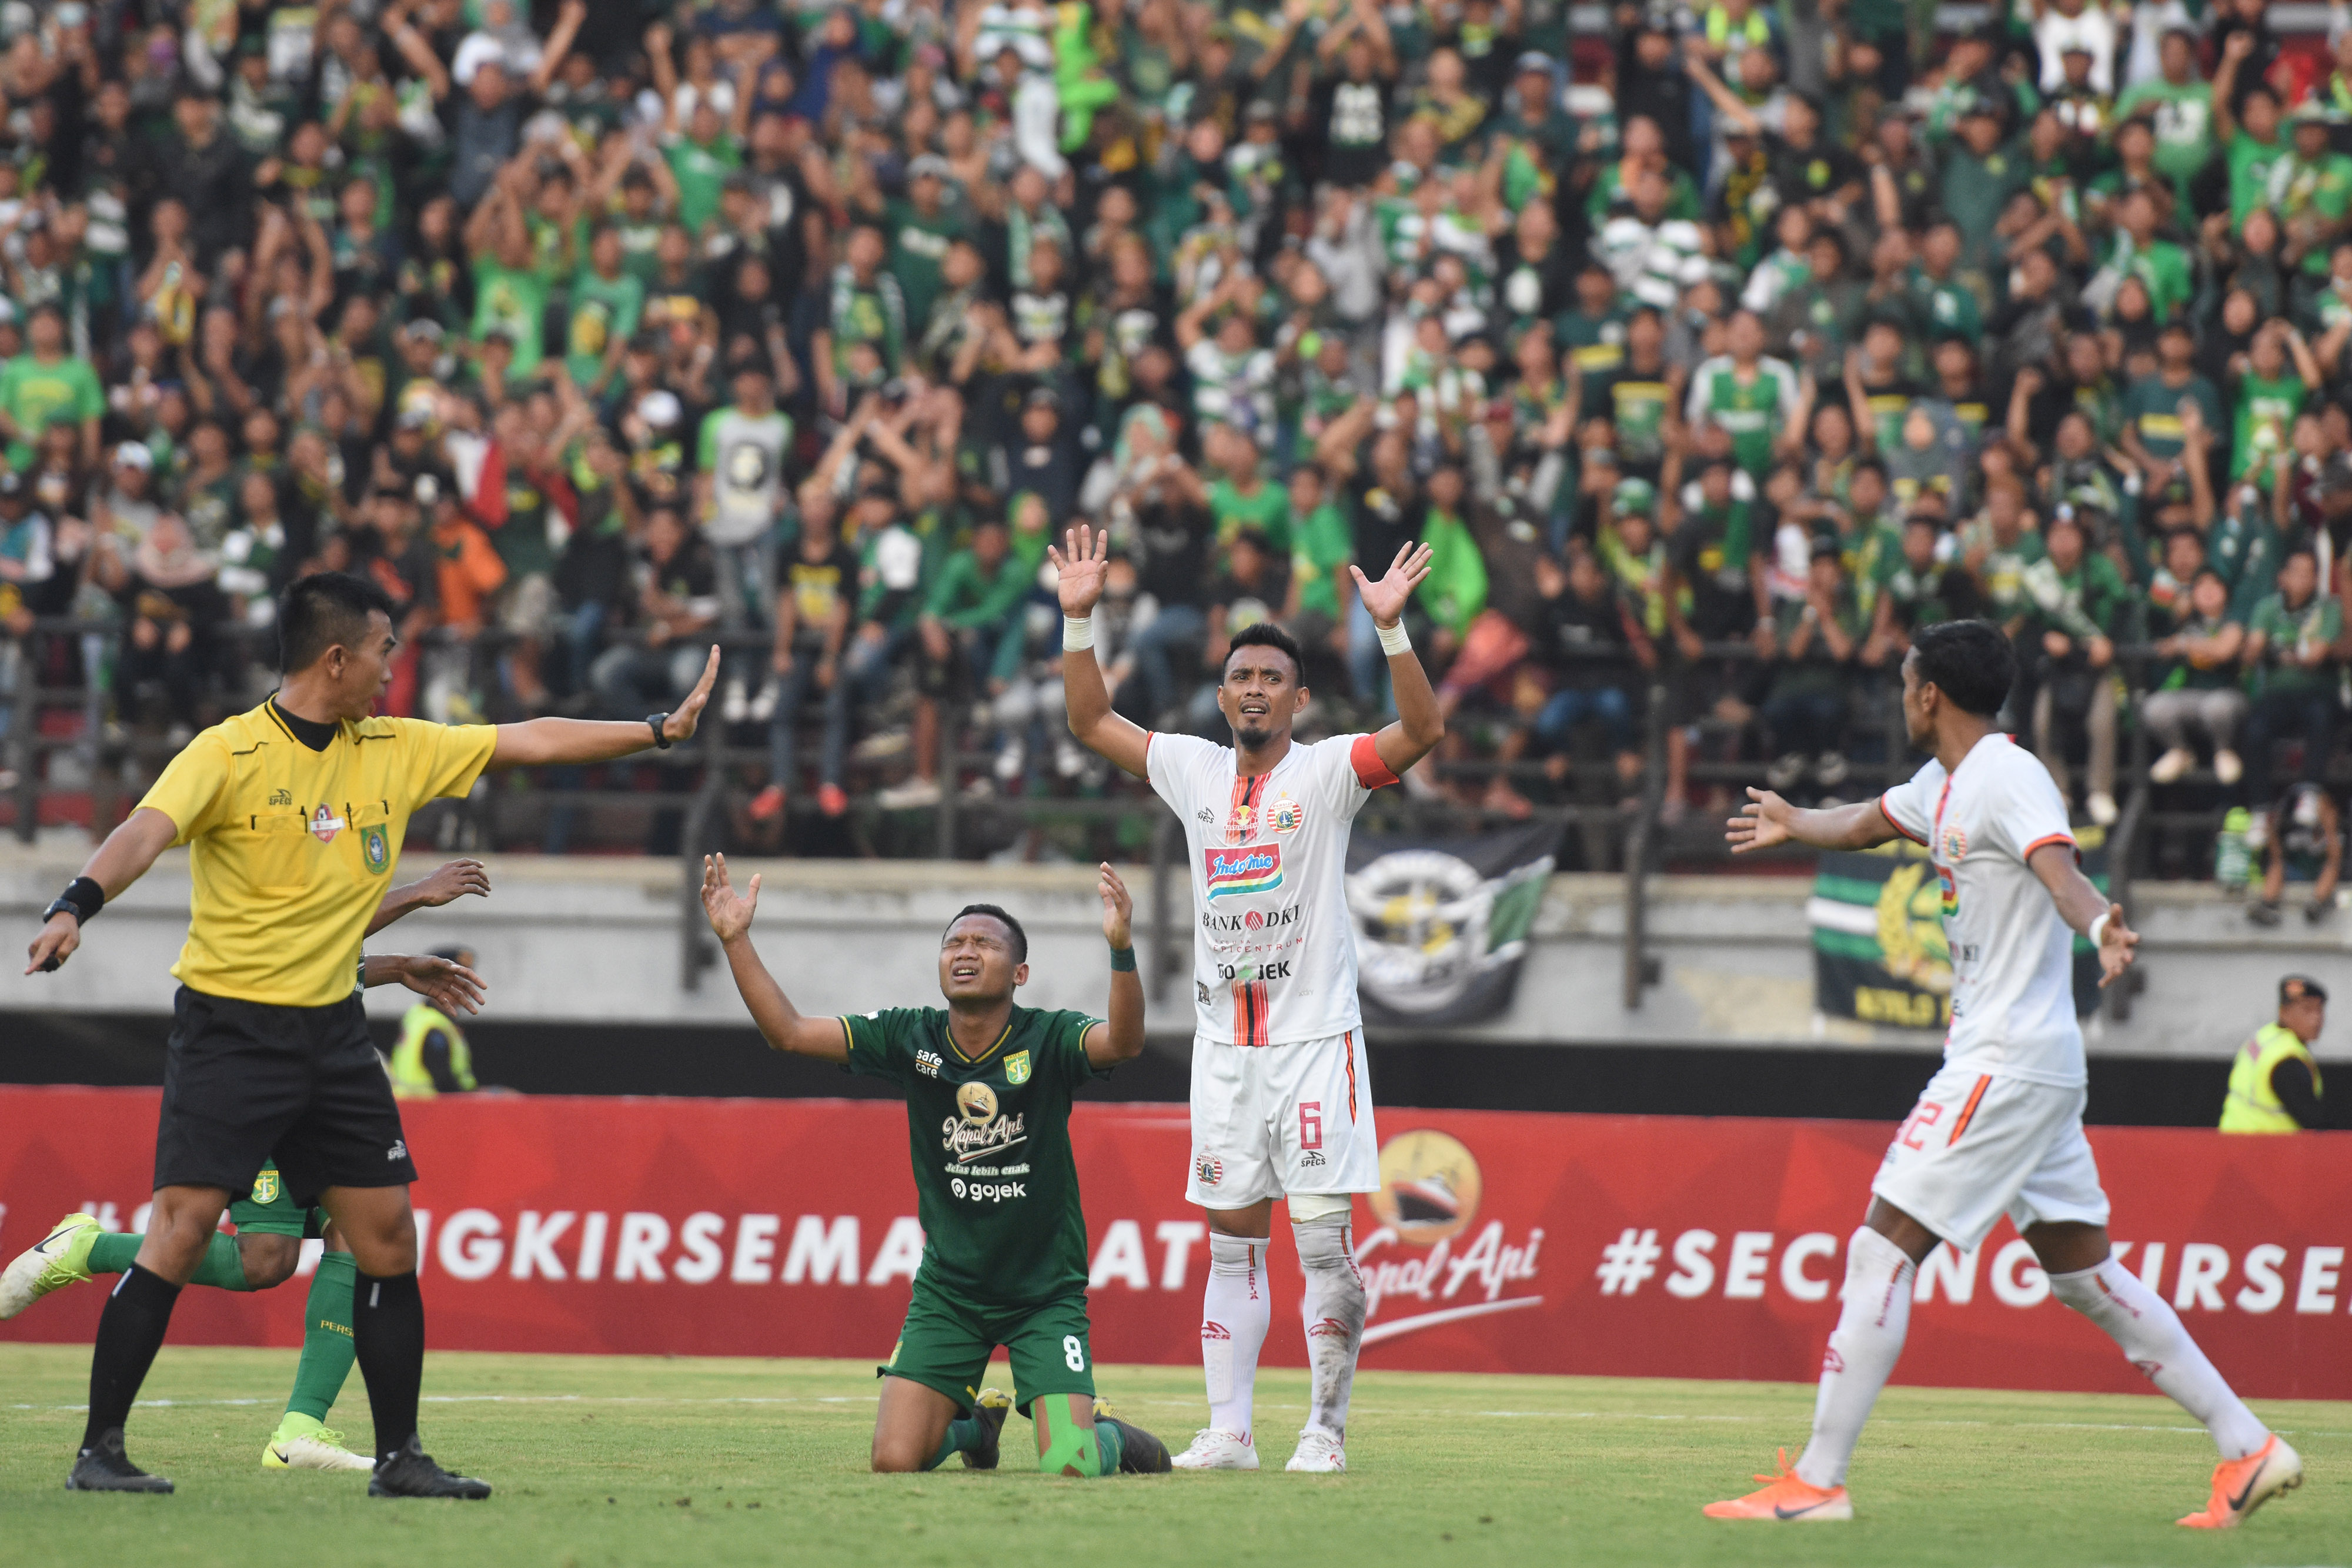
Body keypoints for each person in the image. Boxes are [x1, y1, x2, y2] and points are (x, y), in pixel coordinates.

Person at [21, 571, 720, 1496]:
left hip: (334, 1036)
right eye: (387, 649)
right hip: (231, 1030)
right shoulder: (227, 752)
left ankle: (399, 1458)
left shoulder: (398, 747)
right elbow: (144, 831)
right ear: (337, 657)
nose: (397, 668)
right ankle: (99, 1450)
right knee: (183, 1231)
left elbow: (532, 739)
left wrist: (659, 730)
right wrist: (77, 903)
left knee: (387, 1236)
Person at [1711, 618, 2301, 1528]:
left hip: (2003, 1061)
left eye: (1907, 682)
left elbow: (2061, 869)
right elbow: (1869, 822)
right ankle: (2249, 1445)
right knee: (2083, 1274)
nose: (1902, 695)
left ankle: (1819, 1481)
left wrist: (2103, 923)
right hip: (2038, 1067)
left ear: (1929, 694)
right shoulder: (1944, 783)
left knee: (1880, 1246)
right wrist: (1794, 820)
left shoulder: (2008, 774)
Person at [1051, 521, 1445, 1473]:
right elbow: (1090, 723)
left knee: (1319, 1248)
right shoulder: (1190, 765)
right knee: (1232, 1247)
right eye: (1242, 677)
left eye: (1273, 677)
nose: (1255, 689)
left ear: (1298, 698)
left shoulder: (1328, 771)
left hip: (1314, 1040)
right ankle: (1229, 1429)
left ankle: (1325, 1430)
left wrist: (1392, 632)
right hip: (1225, 1048)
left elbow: (1424, 732)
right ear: (1223, 694)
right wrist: (1078, 620)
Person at [0, 861, 492, 1473]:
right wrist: (417, 895)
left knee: (351, 1235)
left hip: (322, 1091)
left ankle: (299, 1432)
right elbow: (310, 941)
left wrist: (395, 968)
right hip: (265, 1083)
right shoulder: (276, 870)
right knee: (262, 1260)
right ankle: (89, 1248)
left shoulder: (319, 862)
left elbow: (333, 960)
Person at [696, 854, 1172, 1477]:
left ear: (1020, 971)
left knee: (1070, 1463)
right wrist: (736, 939)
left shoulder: (1049, 1039)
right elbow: (786, 1032)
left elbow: (1125, 1042)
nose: (965, 951)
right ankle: (976, 1429)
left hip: (1043, 1295)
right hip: (951, 1291)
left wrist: (1120, 950)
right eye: (954, 942)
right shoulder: (907, 1036)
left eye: (984, 943)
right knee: (894, 1460)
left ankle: (1115, 1440)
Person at [2221, 975, 2330, 1132]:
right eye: (2307, 1010)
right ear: (2283, 1012)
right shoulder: (2287, 1060)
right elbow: (2315, 1122)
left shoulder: (2265, 1036)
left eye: (2319, 1010)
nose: (2316, 1018)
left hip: (2230, 1139)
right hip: (2264, 1149)